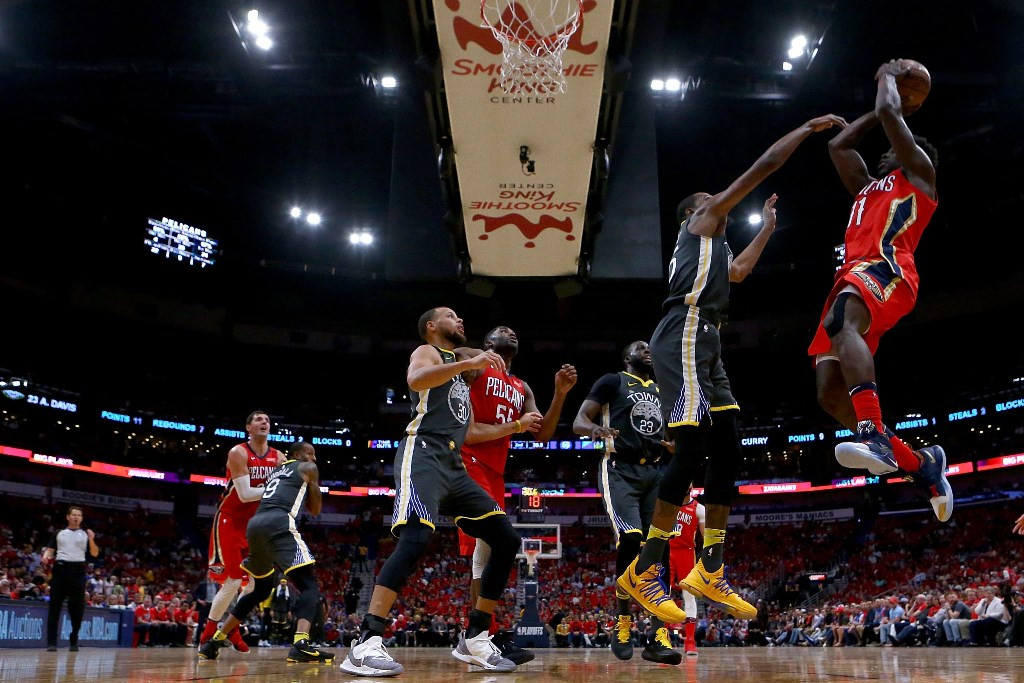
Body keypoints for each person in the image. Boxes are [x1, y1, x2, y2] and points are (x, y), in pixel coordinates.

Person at [621, 113, 848, 623]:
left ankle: (711, 567)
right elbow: (763, 165)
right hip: (682, 329)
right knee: (690, 447)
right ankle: (645, 569)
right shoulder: (698, 225)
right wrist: (804, 131)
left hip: (708, 339)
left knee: (728, 442)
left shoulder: (715, 247)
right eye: (710, 200)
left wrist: (766, 228)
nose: (718, 202)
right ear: (694, 213)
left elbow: (740, 271)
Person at [340, 307, 523, 676]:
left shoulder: (460, 373)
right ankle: (365, 642)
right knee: (416, 538)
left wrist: (516, 426)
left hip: (454, 465)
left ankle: (475, 638)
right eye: (452, 316)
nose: (460, 320)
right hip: (422, 453)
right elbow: (416, 379)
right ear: (432, 326)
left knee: (506, 539)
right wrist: (466, 363)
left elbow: (472, 431)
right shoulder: (428, 352)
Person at [810, 59, 951, 522]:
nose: (888, 151)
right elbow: (838, 145)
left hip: (888, 269)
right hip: (853, 276)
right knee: (830, 394)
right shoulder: (868, 189)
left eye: (896, 145)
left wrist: (889, 77)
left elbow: (892, 117)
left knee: (843, 319)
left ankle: (872, 432)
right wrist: (879, 112)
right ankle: (921, 466)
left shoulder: (919, 175)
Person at [457, 324, 577, 663]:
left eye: (513, 332)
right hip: (467, 461)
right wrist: (479, 355)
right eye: (501, 330)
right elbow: (453, 354)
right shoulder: (476, 365)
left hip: (495, 471)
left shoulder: (520, 386)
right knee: (493, 543)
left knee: (485, 552)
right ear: (487, 341)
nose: (510, 332)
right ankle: (480, 635)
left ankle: (479, 636)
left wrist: (560, 394)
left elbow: (543, 434)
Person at [572, 340, 680, 665]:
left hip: (656, 472)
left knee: (660, 547)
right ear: (627, 357)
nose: (647, 349)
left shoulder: (661, 390)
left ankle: (658, 635)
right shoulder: (613, 381)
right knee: (631, 538)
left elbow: (671, 434)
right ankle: (622, 622)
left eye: (649, 347)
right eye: (640, 347)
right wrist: (595, 429)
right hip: (620, 470)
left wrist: (674, 444)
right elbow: (579, 421)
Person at [199, 440, 334, 663]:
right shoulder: (308, 467)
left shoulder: (275, 472)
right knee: (309, 586)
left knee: (260, 590)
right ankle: (301, 644)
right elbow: (315, 509)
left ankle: (215, 641)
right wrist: (314, 485)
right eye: (311, 453)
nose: (314, 458)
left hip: (255, 525)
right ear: (297, 454)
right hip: (279, 522)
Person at [200, 410, 285, 652]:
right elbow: (246, 494)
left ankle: (232, 628)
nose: (264, 422)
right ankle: (208, 634)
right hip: (230, 519)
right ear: (248, 427)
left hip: (255, 525)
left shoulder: (279, 457)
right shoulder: (238, 452)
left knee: (254, 586)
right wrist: (274, 489)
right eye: (259, 419)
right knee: (233, 580)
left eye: (267, 420)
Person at [42, 504, 99, 651]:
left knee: (77, 609)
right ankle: (51, 643)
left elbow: (94, 553)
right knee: (54, 607)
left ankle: (74, 637)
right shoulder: (59, 533)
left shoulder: (86, 534)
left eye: (79, 515)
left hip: (78, 571)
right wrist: (46, 556)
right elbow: (50, 550)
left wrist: (91, 539)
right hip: (60, 569)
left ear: (82, 518)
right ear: (68, 517)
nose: (76, 517)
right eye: (73, 515)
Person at [668, 484, 705, 657]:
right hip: (667, 551)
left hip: (687, 553)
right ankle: (663, 639)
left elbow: (706, 537)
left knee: (689, 596)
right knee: (663, 595)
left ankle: (690, 641)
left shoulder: (699, 508)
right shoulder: (666, 503)